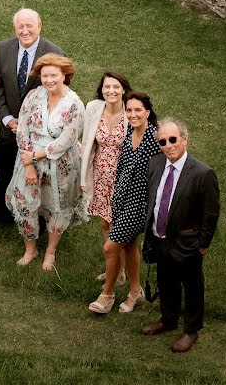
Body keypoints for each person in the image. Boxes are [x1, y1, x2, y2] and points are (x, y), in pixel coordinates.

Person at [141, 118, 220, 353]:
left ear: (184, 140)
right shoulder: (155, 164)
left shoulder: (203, 173)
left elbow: (211, 212)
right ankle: (168, 320)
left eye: (173, 139)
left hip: (187, 242)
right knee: (166, 281)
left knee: (192, 285)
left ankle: (191, 330)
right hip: (160, 237)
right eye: (163, 141)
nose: (168, 145)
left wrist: (203, 244)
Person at [5, 53, 86, 271]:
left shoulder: (75, 105)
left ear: (64, 75)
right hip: (28, 158)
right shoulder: (33, 96)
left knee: (57, 206)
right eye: (44, 76)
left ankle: (50, 251)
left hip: (61, 163)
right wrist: (29, 163)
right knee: (24, 203)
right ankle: (31, 249)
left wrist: (36, 155)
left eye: (53, 75)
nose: (48, 80)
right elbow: (22, 128)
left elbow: (66, 141)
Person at [89, 91, 161, 314]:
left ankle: (107, 294)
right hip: (120, 197)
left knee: (110, 247)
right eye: (129, 110)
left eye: (138, 110)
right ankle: (135, 291)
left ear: (147, 112)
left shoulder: (155, 138)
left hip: (139, 203)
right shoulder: (129, 130)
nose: (133, 114)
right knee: (128, 245)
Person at [0, 8, 64, 225]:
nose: (25, 31)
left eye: (29, 25)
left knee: (38, 180)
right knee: (5, 173)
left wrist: (30, 125)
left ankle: (39, 223)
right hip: (9, 129)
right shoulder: (4, 49)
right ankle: (2, 217)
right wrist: (7, 119)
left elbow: (58, 95)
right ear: (14, 28)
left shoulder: (54, 52)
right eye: (20, 26)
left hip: (38, 135)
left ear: (39, 26)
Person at [81, 71, 131, 283]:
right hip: (100, 176)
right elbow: (87, 144)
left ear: (124, 90)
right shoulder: (93, 108)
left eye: (116, 87)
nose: (111, 91)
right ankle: (115, 271)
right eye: (107, 87)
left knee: (120, 226)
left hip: (123, 178)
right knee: (104, 224)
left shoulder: (131, 111)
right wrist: (84, 178)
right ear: (102, 90)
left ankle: (126, 271)